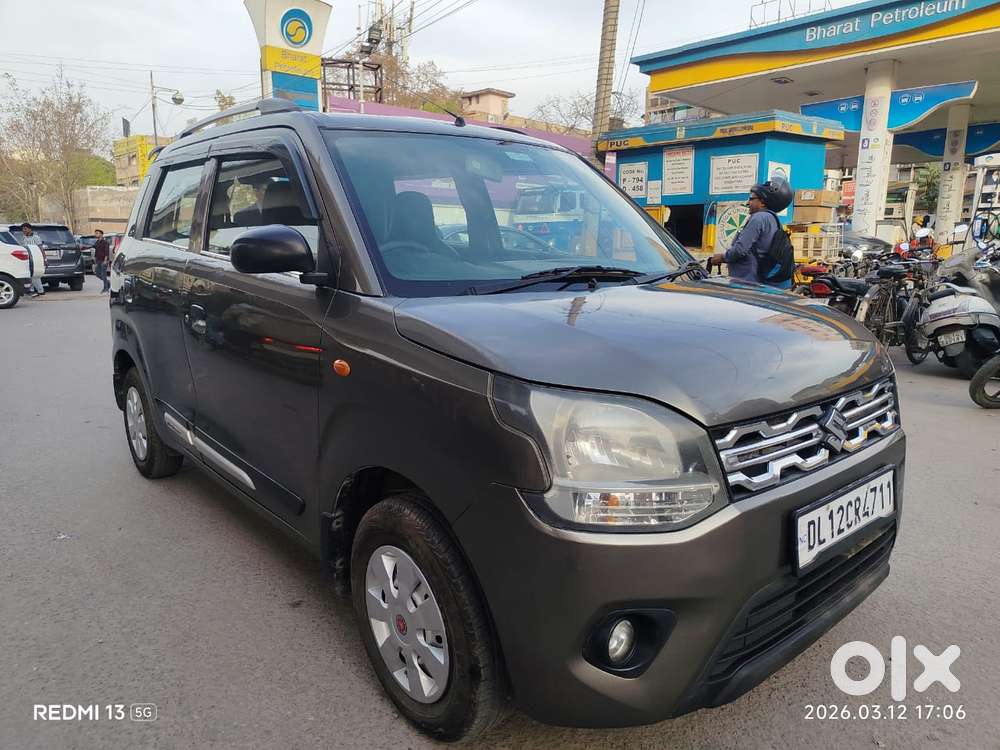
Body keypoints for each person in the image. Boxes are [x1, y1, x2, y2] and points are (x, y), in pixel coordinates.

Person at [710, 179, 794, 289]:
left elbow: (740, 249)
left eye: (752, 199)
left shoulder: (758, 218)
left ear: (763, 202)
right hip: (760, 284)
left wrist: (721, 257)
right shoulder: (774, 220)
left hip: (748, 284)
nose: (748, 203)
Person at [21, 222, 46, 297]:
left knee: (35, 274)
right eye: (23, 229)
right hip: (28, 258)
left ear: (29, 229)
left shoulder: (36, 237)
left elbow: (41, 248)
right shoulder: (24, 238)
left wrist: (44, 259)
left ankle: (41, 291)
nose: (24, 231)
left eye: (25, 229)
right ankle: (31, 290)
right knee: (29, 274)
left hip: (35, 258)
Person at [93, 229, 110, 293]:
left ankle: (105, 288)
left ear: (101, 234)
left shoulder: (105, 242)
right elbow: (95, 251)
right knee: (97, 274)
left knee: (103, 274)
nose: (96, 234)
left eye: (97, 233)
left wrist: (105, 261)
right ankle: (108, 282)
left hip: (104, 261)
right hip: (98, 260)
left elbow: (107, 252)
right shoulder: (97, 242)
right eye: (95, 233)